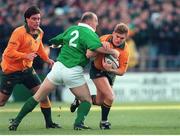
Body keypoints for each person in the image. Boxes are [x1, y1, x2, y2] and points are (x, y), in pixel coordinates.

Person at [8, 11, 119, 131]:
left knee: (37, 97)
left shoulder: (71, 29)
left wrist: (56, 45)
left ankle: (16, 121)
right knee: (86, 100)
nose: (96, 25)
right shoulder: (89, 33)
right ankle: (78, 123)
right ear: (90, 21)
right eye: (96, 22)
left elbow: (55, 40)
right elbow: (95, 48)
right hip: (73, 71)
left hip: (58, 68)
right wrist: (113, 52)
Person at [0, 6, 60, 129]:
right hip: (11, 71)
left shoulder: (40, 32)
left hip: (27, 70)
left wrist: (47, 59)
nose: (37, 21)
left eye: (38, 19)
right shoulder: (18, 32)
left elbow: (39, 48)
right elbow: (9, 53)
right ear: (27, 19)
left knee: (42, 95)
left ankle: (49, 123)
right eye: (34, 19)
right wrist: (25, 55)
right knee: (1, 102)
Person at [70, 23, 130, 129]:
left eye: (122, 38)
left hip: (110, 73)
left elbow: (122, 71)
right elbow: (88, 54)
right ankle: (104, 122)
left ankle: (80, 99)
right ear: (113, 34)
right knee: (110, 96)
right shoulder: (104, 39)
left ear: (126, 38)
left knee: (99, 101)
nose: (119, 40)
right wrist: (101, 47)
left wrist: (110, 69)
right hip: (97, 70)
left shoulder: (125, 50)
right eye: (117, 36)